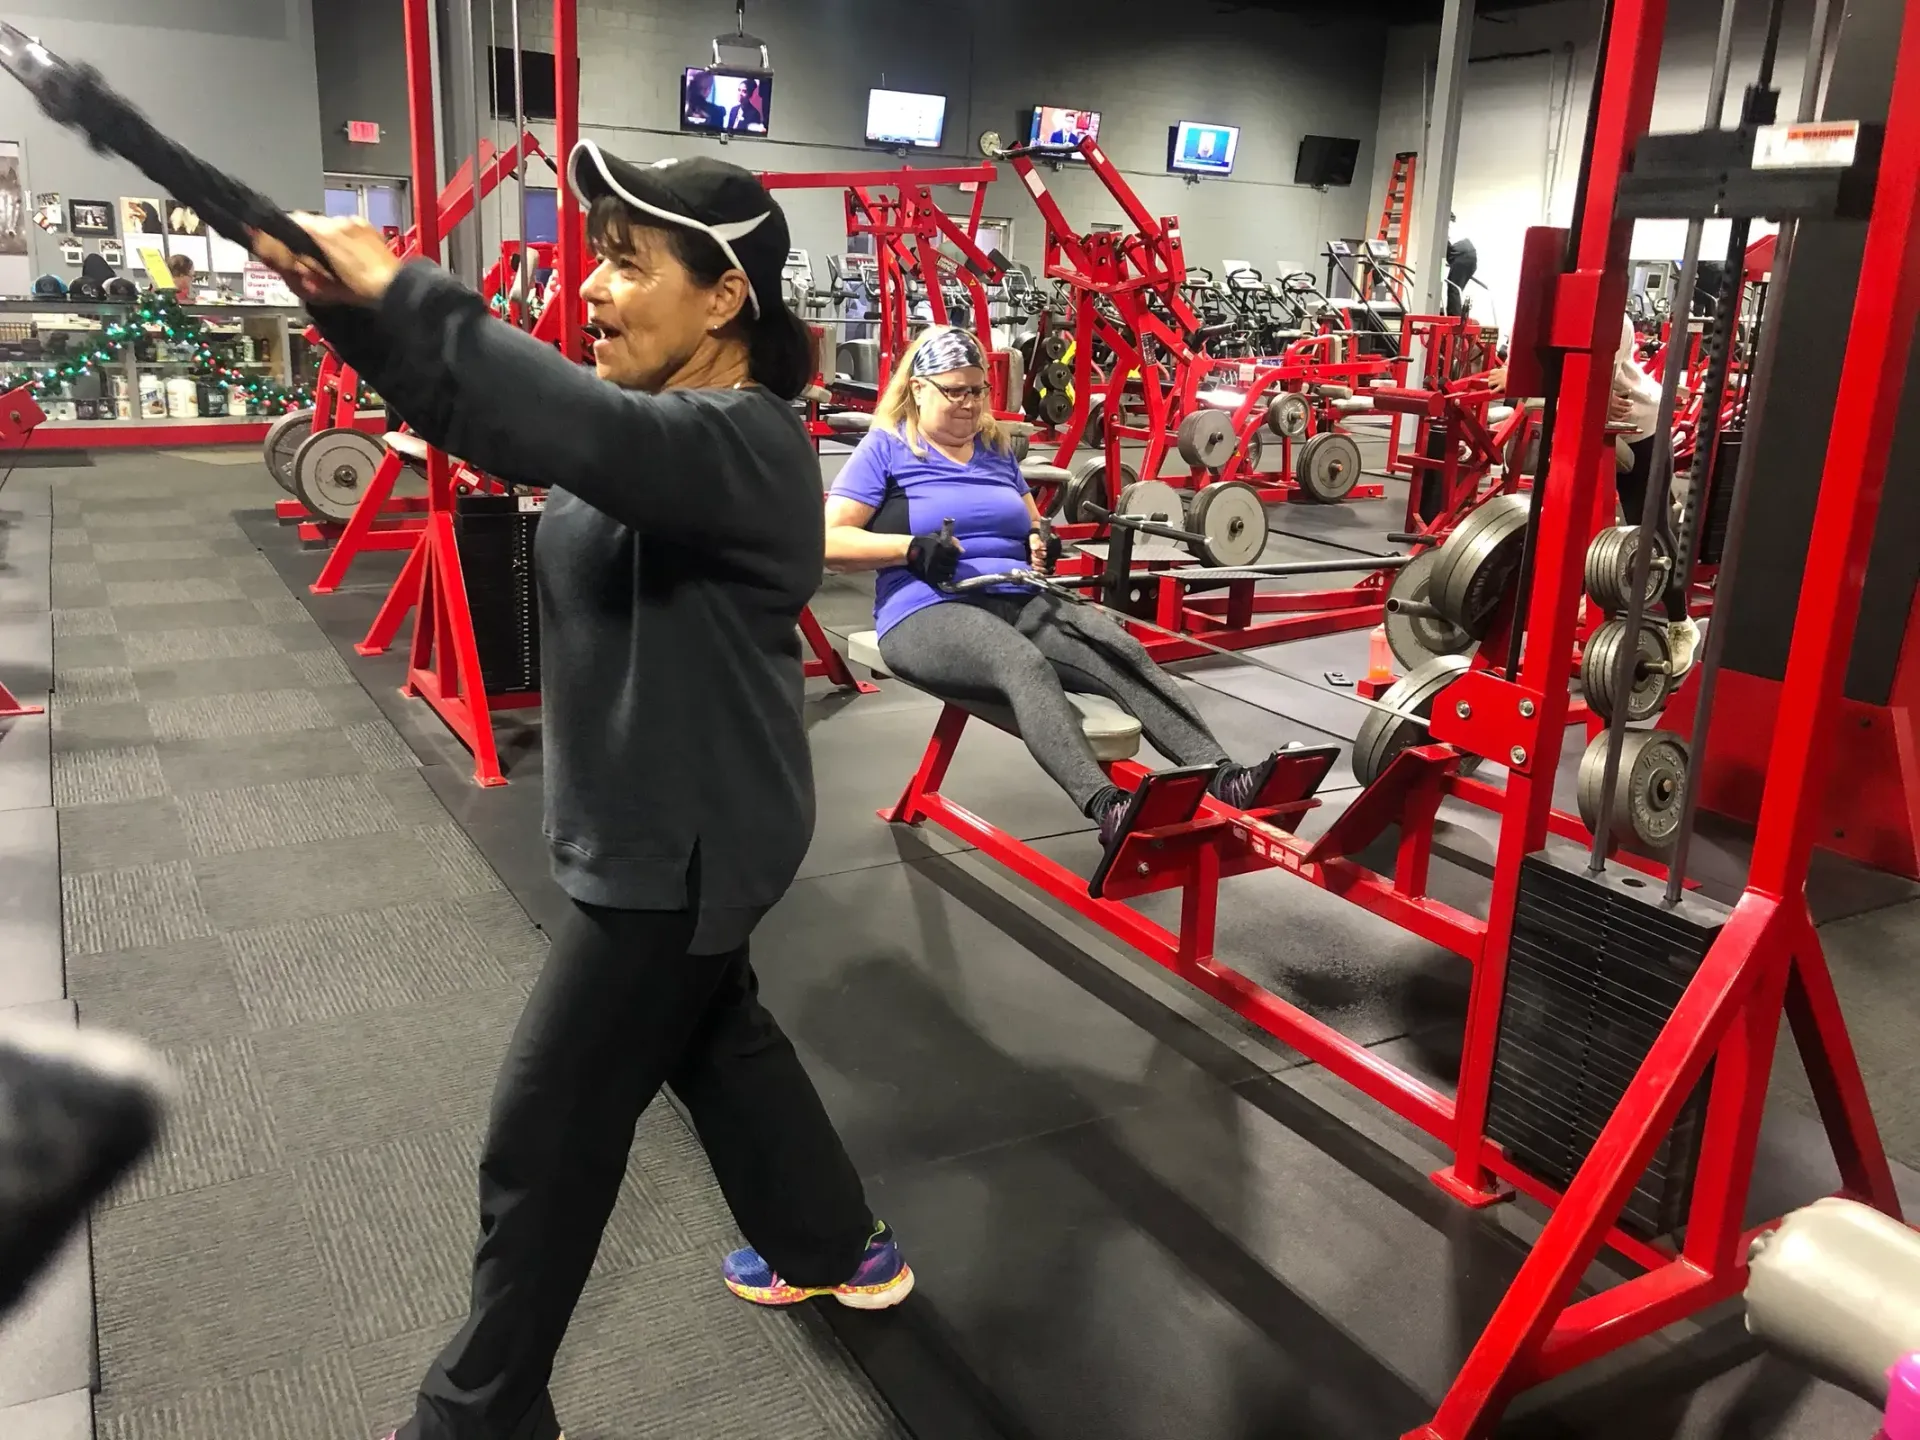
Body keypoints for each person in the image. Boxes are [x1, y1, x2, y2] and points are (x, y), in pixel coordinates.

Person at [250, 144, 910, 1440]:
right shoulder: (669, 430)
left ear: (726, 300)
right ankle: (839, 1240)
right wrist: (348, 307)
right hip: (665, 820)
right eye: (594, 256)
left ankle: (477, 1415)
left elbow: (562, 422)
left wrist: (408, 293)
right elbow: (502, 413)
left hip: (684, 848)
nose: (593, 290)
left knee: (543, 1137)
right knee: (716, 1039)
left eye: (627, 261)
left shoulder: (740, 446)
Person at [824, 325, 1289, 867]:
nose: (969, 403)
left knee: (1121, 650)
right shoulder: (887, 447)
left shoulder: (994, 448)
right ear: (919, 388)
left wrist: (1041, 537)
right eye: (955, 390)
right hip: (926, 606)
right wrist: (910, 548)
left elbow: (1031, 523)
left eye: (977, 391)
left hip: (1019, 596)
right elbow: (831, 543)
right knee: (1021, 664)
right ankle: (1108, 807)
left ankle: (1225, 777)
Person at [1486, 315, 1699, 674]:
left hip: (1639, 428)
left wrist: (1530, 383)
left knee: (1650, 531)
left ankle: (1681, 624)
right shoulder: (1539, 307)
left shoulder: (1615, 320)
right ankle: (1582, 601)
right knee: (1569, 520)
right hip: (1581, 421)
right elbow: (1543, 371)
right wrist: (1526, 377)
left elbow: (1594, 383)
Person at [1444, 213, 1476, 318]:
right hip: (1471, 255)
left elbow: (1438, 257)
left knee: (1453, 288)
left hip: (1461, 254)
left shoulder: (1442, 227)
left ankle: (1454, 318)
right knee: (1457, 289)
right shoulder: (1453, 226)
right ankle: (1460, 315)